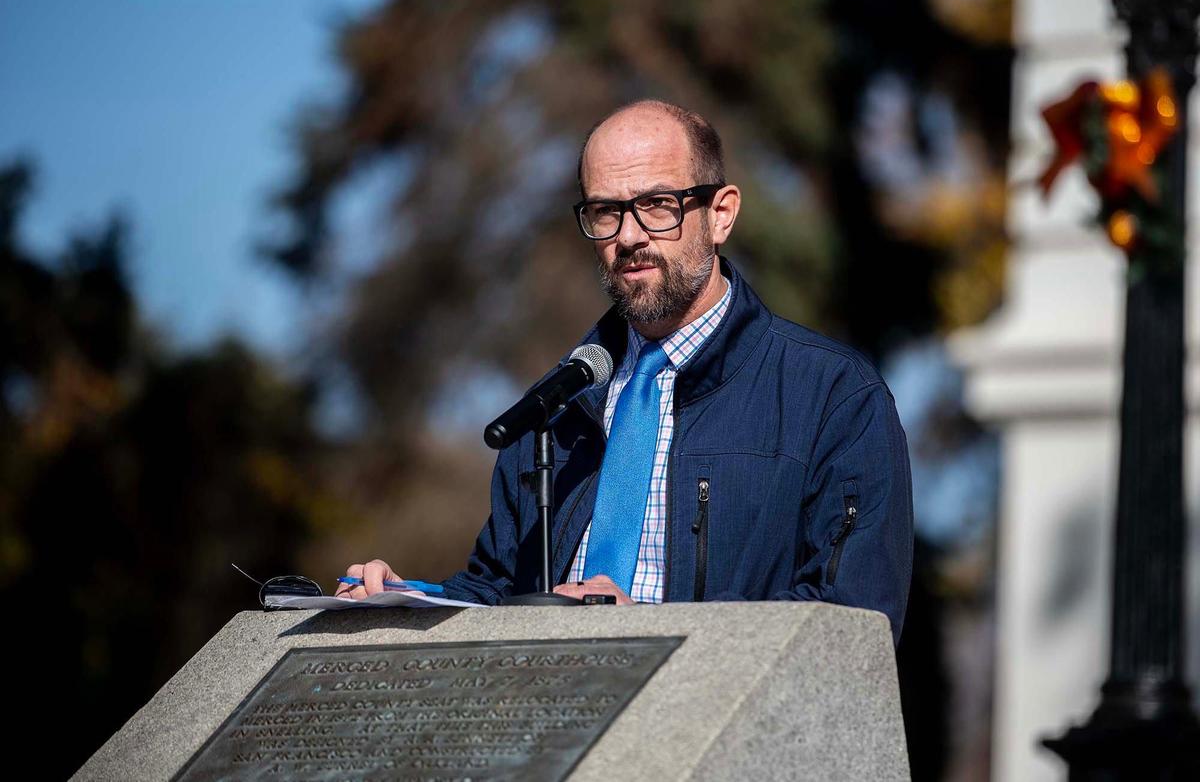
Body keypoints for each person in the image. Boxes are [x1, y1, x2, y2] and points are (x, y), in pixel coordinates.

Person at [337, 100, 913, 644]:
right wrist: (407, 602)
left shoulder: (835, 396)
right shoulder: (556, 407)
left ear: (720, 214)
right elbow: (498, 590)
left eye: (658, 204)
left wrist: (653, 632)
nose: (629, 236)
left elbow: (852, 623)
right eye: (605, 211)